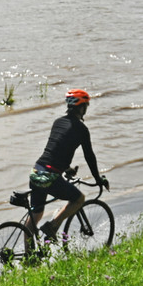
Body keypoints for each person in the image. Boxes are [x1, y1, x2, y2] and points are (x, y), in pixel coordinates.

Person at [26, 89, 108, 241]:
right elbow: (89, 156)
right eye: (86, 106)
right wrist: (97, 179)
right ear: (82, 107)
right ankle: (53, 226)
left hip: (37, 170)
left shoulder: (58, 122)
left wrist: (67, 169)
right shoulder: (82, 129)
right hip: (50, 176)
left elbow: (56, 150)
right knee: (79, 199)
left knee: (35, 214)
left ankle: (30, 259)